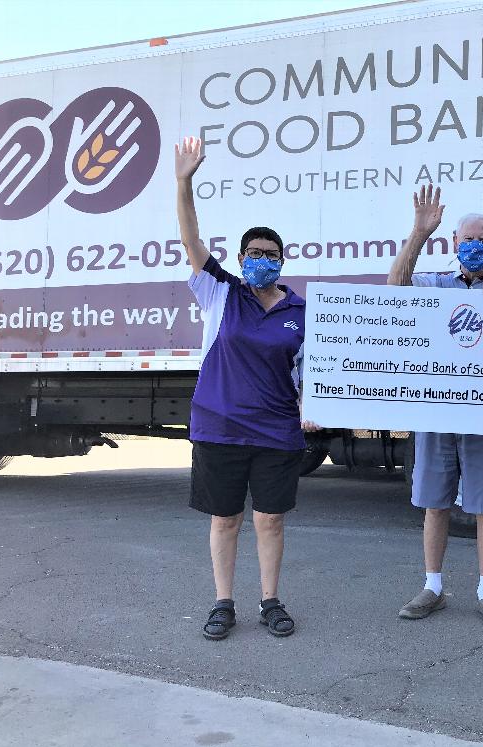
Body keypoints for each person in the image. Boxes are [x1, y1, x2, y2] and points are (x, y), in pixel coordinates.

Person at [176, 136, 314, 640]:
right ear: (240, 257)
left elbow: (312, 372)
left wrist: (313, 405)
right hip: (219, 426)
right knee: (225, 520)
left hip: (277, 431)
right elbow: (191, 240)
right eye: (254, 253)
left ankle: (271, 602)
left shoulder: (301, 312)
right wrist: (184, 181)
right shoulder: (220, 292)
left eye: (271, 254)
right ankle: (222, 603)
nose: (262, 259)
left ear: (282, 260)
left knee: (270, 522)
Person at [388, 184, 483, 626]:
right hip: (437, 414)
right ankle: (433, 587)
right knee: (435, 502)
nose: (477, 246)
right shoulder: (433, 284)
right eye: (469, 240)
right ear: (455, 244)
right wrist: (419, 233)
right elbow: (395, 288)